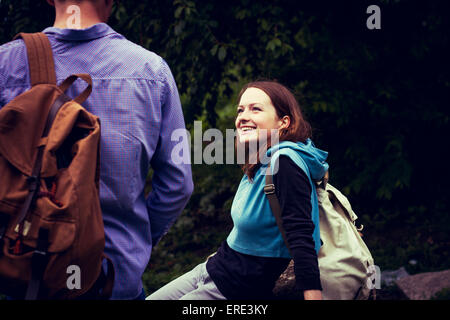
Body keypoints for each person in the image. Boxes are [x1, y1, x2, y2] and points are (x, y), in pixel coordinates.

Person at [0, 0, 193, 299]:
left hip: (28, 271)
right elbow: (178, 184)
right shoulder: (152, 71)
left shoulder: (6, 64)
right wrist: (135, 238)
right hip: (114, 277)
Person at [147, 80, 328, 300]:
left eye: (256, 109)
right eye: (240, 110)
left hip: (232, 290)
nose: (242, 116)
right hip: (210, 270)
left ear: (283, 122)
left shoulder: (285, 162)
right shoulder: (262, 160)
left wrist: (313, 295)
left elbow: (302, 237)